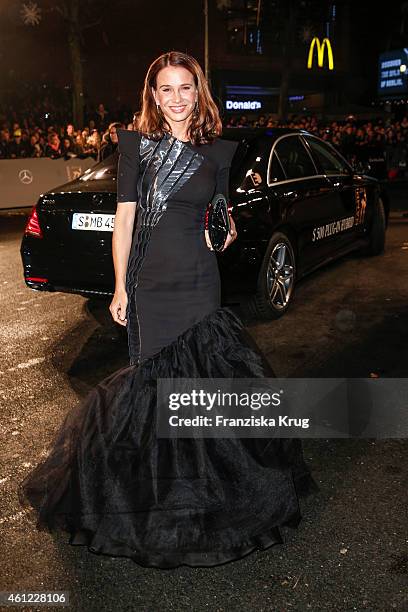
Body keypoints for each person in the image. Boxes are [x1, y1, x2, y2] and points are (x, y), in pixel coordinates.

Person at [18, 51, 317, 569]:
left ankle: (210, 498)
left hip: (201, 280)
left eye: (185, 88)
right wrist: (120, 288)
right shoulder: (138, 148)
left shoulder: (221, 153)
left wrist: (222, 229)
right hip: (152, 284)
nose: (177, 99)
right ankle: (150, 500)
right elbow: (125, 221)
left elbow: (222, 224)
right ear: (153, 96)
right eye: (166, 90)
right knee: (152, 388)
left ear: (199, 93)